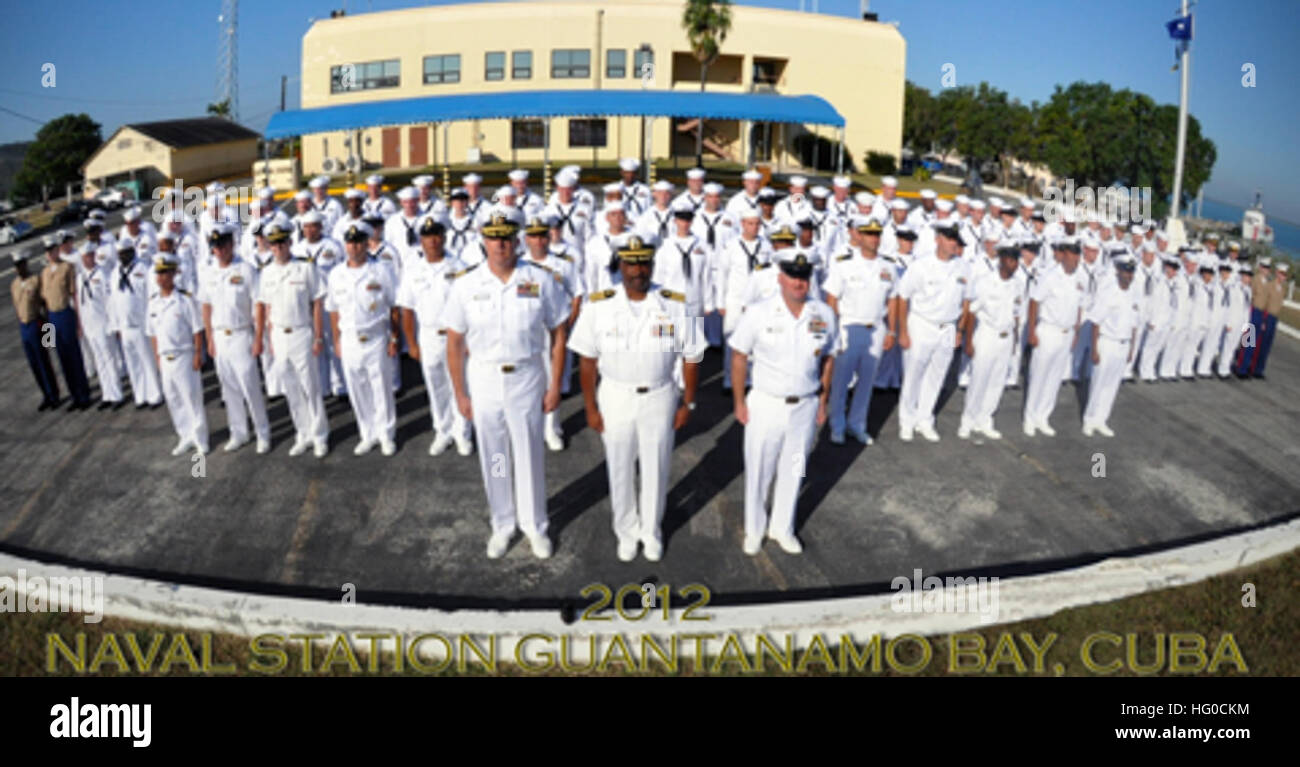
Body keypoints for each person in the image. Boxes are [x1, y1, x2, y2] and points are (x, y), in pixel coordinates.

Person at [442, 207, 571, 560]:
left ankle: (534, 525)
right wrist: (460, 395)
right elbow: (454, 344)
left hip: (527, 376)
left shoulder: (540, 279)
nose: (500, 244)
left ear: (517, 239)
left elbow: (559, 333)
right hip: (484, 379)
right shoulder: (466, 284)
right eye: (493, 237)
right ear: (483, 240)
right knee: (495, 455)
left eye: (506, 237)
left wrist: (555, 383)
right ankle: (503, 523)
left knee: (528, 453)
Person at [568, 236, 705, 562]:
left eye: (644, 263)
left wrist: (689, 402)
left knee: (657, 467)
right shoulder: (598, 305)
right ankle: (626, 531)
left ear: (652, 265)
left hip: (660, 395)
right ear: (621, 266)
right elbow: (586, 361)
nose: (638, 271)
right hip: (615, 396)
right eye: (631, 263)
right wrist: (590, 407)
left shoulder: (675, 304)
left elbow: (692, 356)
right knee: (619, 468)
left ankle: (651, 531)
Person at [729, 250, 837, 556]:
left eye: (804, 276)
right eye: (792, 275)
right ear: (780, 278)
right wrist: (739, 401)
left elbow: (829, 357)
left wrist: (823, 399)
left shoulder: (823, 314)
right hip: (766, 403)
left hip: (804, 406)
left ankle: (782, 527)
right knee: (759, 471)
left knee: (795, 468)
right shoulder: (759, 313)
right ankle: (754, 529)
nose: (799, 282)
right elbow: (739, 356)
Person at [254, 219, 330, 458]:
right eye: (274, 244)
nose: (278, 248)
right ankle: (303, 433)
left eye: (282, 243)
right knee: (291, 389)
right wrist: (267, 340)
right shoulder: (266, 272)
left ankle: (319, 435)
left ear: (290, 242)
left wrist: (318, 336)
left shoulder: (305, 268)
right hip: (279, 334)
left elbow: (317, 303)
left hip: (302, 332)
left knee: (311, 387)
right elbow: (265, 308)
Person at [399, 216, 473, 457]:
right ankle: (442, 430)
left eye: (437, 235)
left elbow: (469, 305)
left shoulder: (459, 266)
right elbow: (407, 309)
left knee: (459, 384)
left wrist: (470, 340)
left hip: (456, 337)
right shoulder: (413, 271)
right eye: (428, 236)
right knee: (435, 384)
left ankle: (462, 432)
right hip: (428, 336)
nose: (433, 240)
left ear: (444, 237)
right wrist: (411, 342)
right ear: (421, 240)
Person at [327, 221, 401, 456]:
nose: (354, 247)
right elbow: (333, 310)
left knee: (381, 387)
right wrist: (337, 340)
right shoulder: (336, 274)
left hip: (377, 336)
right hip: (349, 339)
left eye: (359, 242)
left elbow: (393, 305)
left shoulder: (381, 270)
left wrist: (394, 337)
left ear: (366, 243)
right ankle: (367, 433)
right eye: (350, 243)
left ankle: (386, 434)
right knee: (357, 389)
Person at [895, 222, 971, 442]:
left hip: (947, 328)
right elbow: (903, 296)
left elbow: (967, 300)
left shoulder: (963, 267)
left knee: (936, 377)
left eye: (955, 240)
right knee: (913, 375)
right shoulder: (921, 265)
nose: (952, 243)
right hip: (922, 324)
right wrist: (903, 331)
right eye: (948, 238)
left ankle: (924, 419)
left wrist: (960, 329)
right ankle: (906, 420)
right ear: (937, 239)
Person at [199, 223, 272, 454]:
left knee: (250, 387)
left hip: (242, 334)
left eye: (222, 245)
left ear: (232, 244)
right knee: (229, 389)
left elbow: (258, 305)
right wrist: (209, 337)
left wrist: (259, 337)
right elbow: (206, 307)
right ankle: (239, 432)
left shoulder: (246, 270)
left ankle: (263, 432)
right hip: (220, 336)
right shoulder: (209, 272)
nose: (219, 250)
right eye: (215, 247)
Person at [824, 218, 893, 445]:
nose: (874, 239)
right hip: (849, 327)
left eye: (877, 234)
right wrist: (834, 331)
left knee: (866, 382)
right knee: (841, 380)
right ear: (859, 236)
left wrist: (891, 331)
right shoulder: (844, 263)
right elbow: (832, 298)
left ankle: (857, 424)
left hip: (876, 328)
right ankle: (837, 424)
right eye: (869, 234)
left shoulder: (888, 266)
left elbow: (893, 299)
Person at [958, 243, 1023, 440]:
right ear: (1001, 260)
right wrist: (968, 342)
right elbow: (971, 313)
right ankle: (968, 421)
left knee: (997, 382)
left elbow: (1017, 314)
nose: (1014, 264)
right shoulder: (985, 282)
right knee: (979, 379)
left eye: (1016, 260)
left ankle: (985, 419)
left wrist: (1014, 342)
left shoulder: (1017, 284)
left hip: (1006, 336)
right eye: (1010, 260)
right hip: (987, 335)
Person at [148, 253, 209, 456]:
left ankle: (200, 438)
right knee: (173, 400)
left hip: (184, 354)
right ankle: (185, 436)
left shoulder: (184, 299)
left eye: (165, 272)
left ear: (174, 273)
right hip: (165, 358)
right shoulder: (153, 302)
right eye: (159, 273)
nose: (161, 277)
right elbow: (153, 333)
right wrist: (157, 357)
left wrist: (198, 353)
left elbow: (197, 328)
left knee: (192, 398)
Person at [1022, 238, 1085, 436]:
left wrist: (1076, 331)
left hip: (1066, 333)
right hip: (1048, 330)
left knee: (1054, 378)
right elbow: (1034, 302)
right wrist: (1031, 331)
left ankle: (1043, 417)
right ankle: (1030, 418)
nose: (1075, 259)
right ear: (1064, 255)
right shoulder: (1050, 276)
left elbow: (1079, 306)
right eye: (1072, 254)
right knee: (1039, 375)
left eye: (1077, 255)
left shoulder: (1078, 278)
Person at [1081, 256, 1142, 436]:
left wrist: (1131, 349)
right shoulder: (1108, 292)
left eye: (1131, 272)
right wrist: (1095, 348)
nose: (1128, 276)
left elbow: (1134, 324)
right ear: (1118, 271)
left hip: (1123, 345)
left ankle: (1102, 420)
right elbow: (1095, 322)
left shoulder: (1133, 294)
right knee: (1098, 383)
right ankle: (1089, 420)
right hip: (1107, 342)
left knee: (1112, 386)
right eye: (1125, 271)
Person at [107, 238, 162, 409]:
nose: (122, 257)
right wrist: (115, 325)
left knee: (147, 360)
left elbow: (151, 296)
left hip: (141, 324)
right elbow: (113, 301)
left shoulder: (143, 269)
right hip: (125, 326)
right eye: (120, 254)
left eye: (125, 253)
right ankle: (140, 395)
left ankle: (155, 395)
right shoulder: (115, 273)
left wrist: (152, 321)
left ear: (132, 252)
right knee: (133, 363)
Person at [10, 249, 61, 410]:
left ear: (26, 264)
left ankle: (54, 395)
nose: (19, 269)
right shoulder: (15, 284)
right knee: (34, 364)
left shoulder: (35, 280)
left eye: (21, 265)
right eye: (17, 266)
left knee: (44, 361)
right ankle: (45, 395)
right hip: (24, 326)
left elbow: (45, 305)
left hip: (36, 324)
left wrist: (49, 336)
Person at [76, 242, 124, 409]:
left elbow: (110, 302)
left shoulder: (103, 274)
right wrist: (81, 325)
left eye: (89, 256)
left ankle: (117, 394)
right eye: (84, 257)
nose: (87, 259)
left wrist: (113, 324)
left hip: (103, 324)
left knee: (110, 359)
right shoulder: (80, 278)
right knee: (99, 361)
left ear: (94, 256)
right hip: (90, 326)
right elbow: (80, 304)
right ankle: (107, 394)